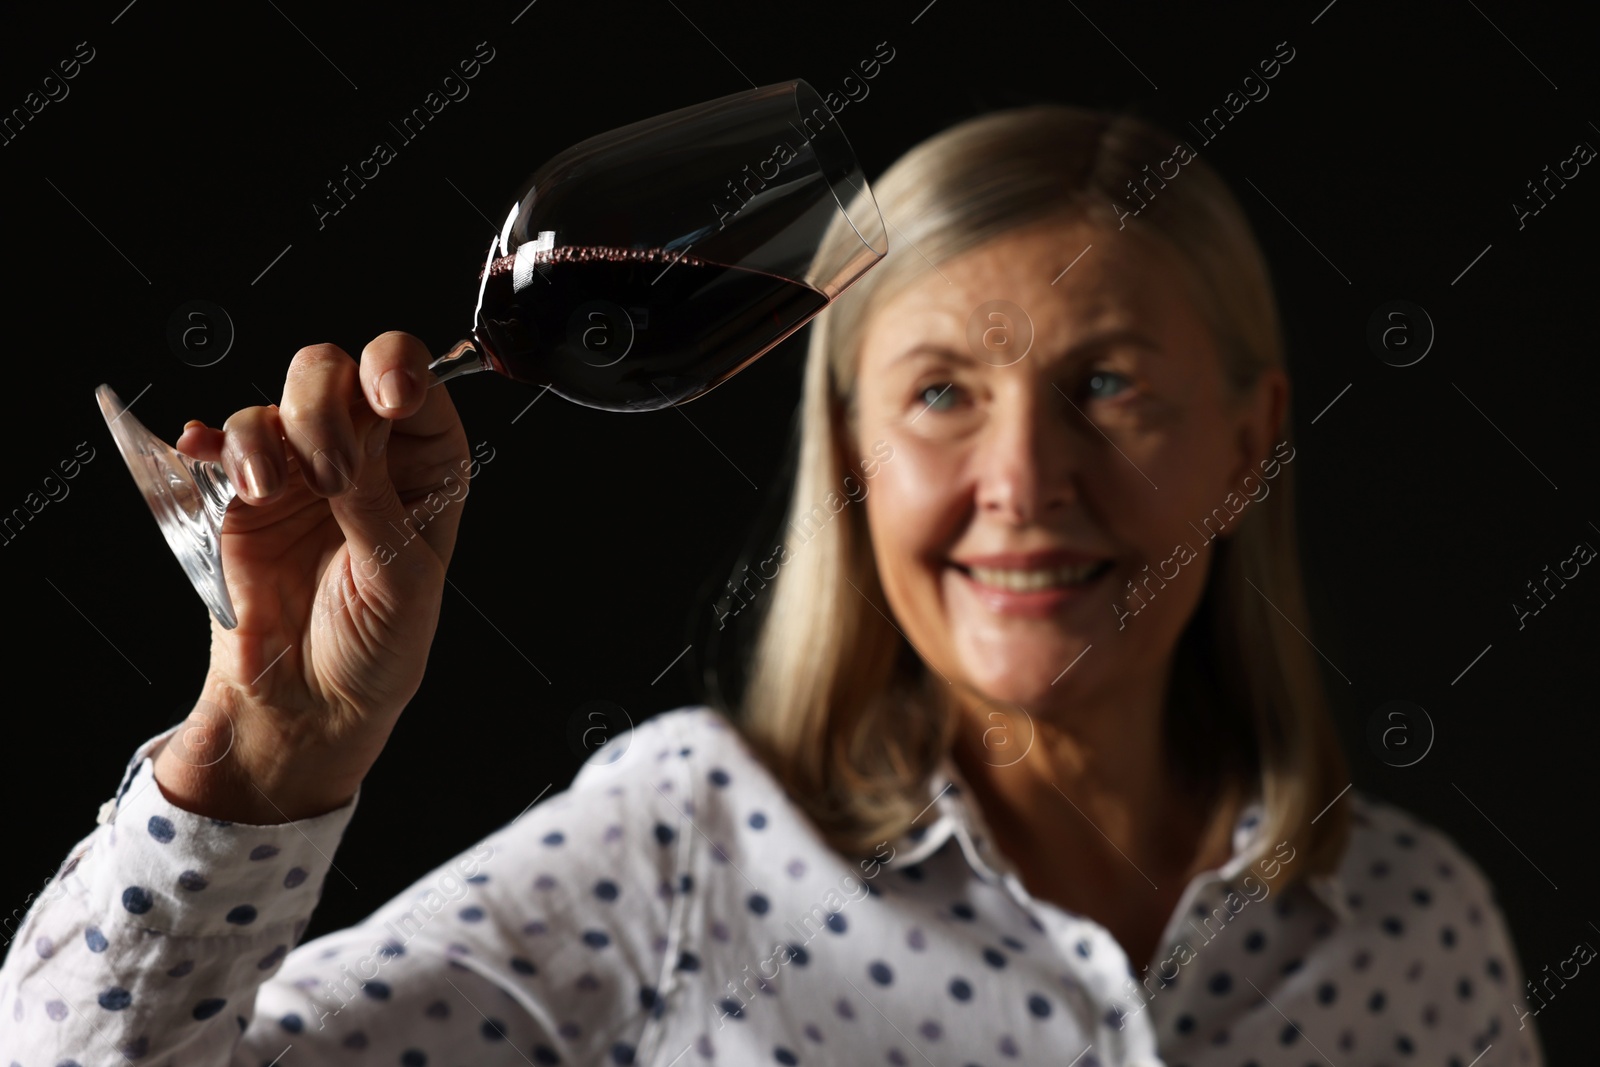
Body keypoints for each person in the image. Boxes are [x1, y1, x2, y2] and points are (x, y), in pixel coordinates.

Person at [0, 105, 1542, 1066]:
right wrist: (274, 748)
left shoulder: (1412, 927)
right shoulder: (685, 850)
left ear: (1248, 442)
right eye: (941, 393)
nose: (1022, 479)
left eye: (1112, 383)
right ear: (847, 447)